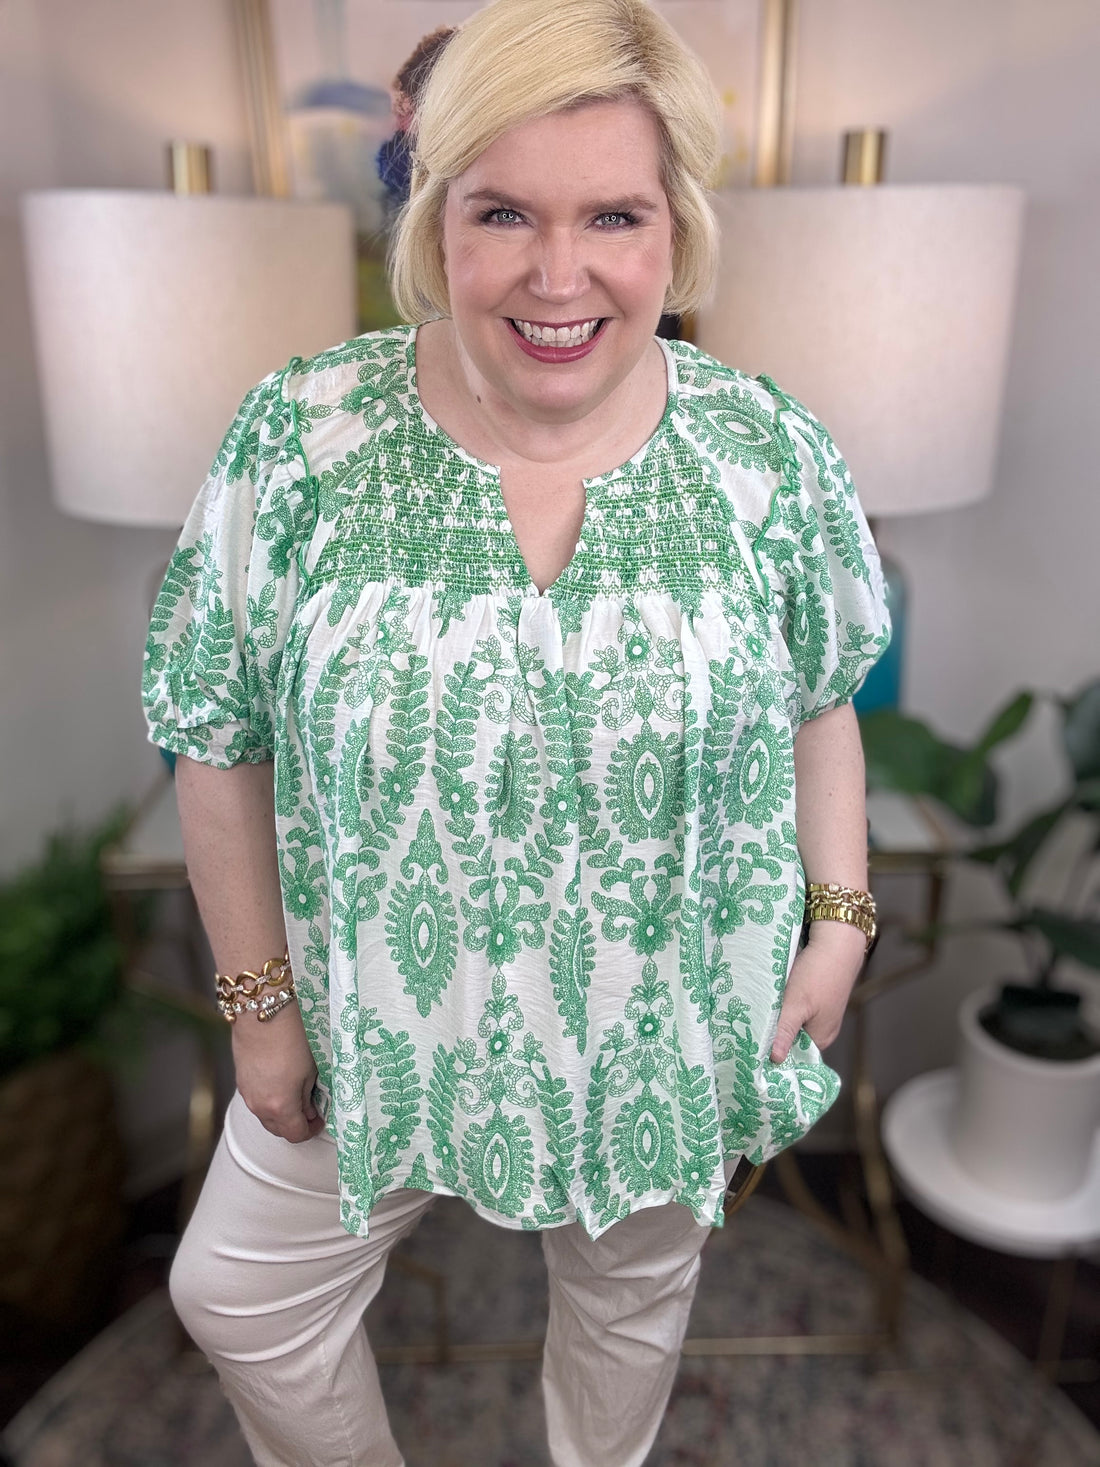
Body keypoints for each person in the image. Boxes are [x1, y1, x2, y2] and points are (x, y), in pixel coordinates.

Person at [142, 0, 889, 1462]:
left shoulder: (767, 450)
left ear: (674, 226)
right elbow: (213, 736)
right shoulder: (300, 438)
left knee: (626, 1320)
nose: (562, 275)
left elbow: (825, 698)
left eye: (613, 211)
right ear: (434, 222)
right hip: (373, 1019)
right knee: (236, 1290)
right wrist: (261, 1007)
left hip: (668, 1018)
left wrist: (841, 918)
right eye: (503, 213)